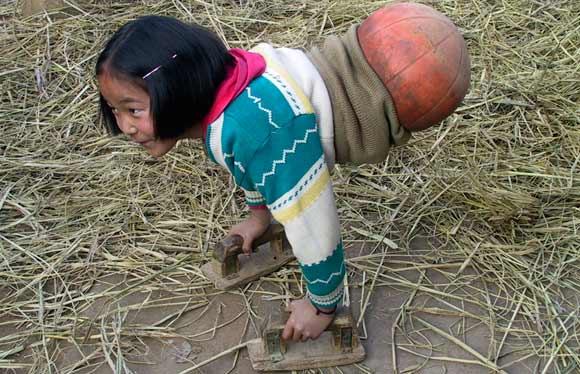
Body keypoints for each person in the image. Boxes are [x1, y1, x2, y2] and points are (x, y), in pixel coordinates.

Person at [96, 5, 469, 342]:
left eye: (134, 110)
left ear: (175, 90)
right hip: (386, 40)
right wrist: (259, 218)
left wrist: (323, 306)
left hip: (399, 80)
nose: (125, 126)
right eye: (115, 110)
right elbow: (251, 164)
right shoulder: (229, 84)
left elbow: (312, 217)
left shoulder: (259, 129)